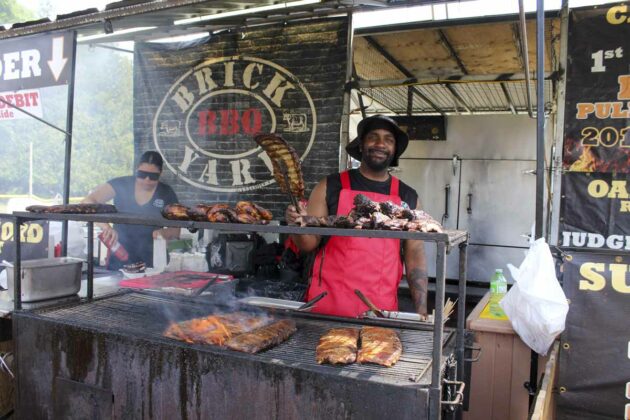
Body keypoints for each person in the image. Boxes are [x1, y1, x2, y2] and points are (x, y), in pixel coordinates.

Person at [285, 115, 429, 318]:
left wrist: (422, 313)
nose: (380, 144)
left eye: (388, 139)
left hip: (380, 311)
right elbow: (308, 244)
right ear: (361, 145)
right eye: (373, 137)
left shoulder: (407, 197)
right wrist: (296, 225)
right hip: (327, 307)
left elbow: (414, 257)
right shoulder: (330, 186)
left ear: (395, 150)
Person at [82, 151, 180, 270]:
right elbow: (88, 201)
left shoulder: (166, 192)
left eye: (153, 176)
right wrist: (106, 227)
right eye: (142, 174)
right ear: (137, 169)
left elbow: (176, 231)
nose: (147, 180)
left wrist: (163, 233)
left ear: (160, 173)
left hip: (151, 259)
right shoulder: (121, 184)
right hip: (120, 254)